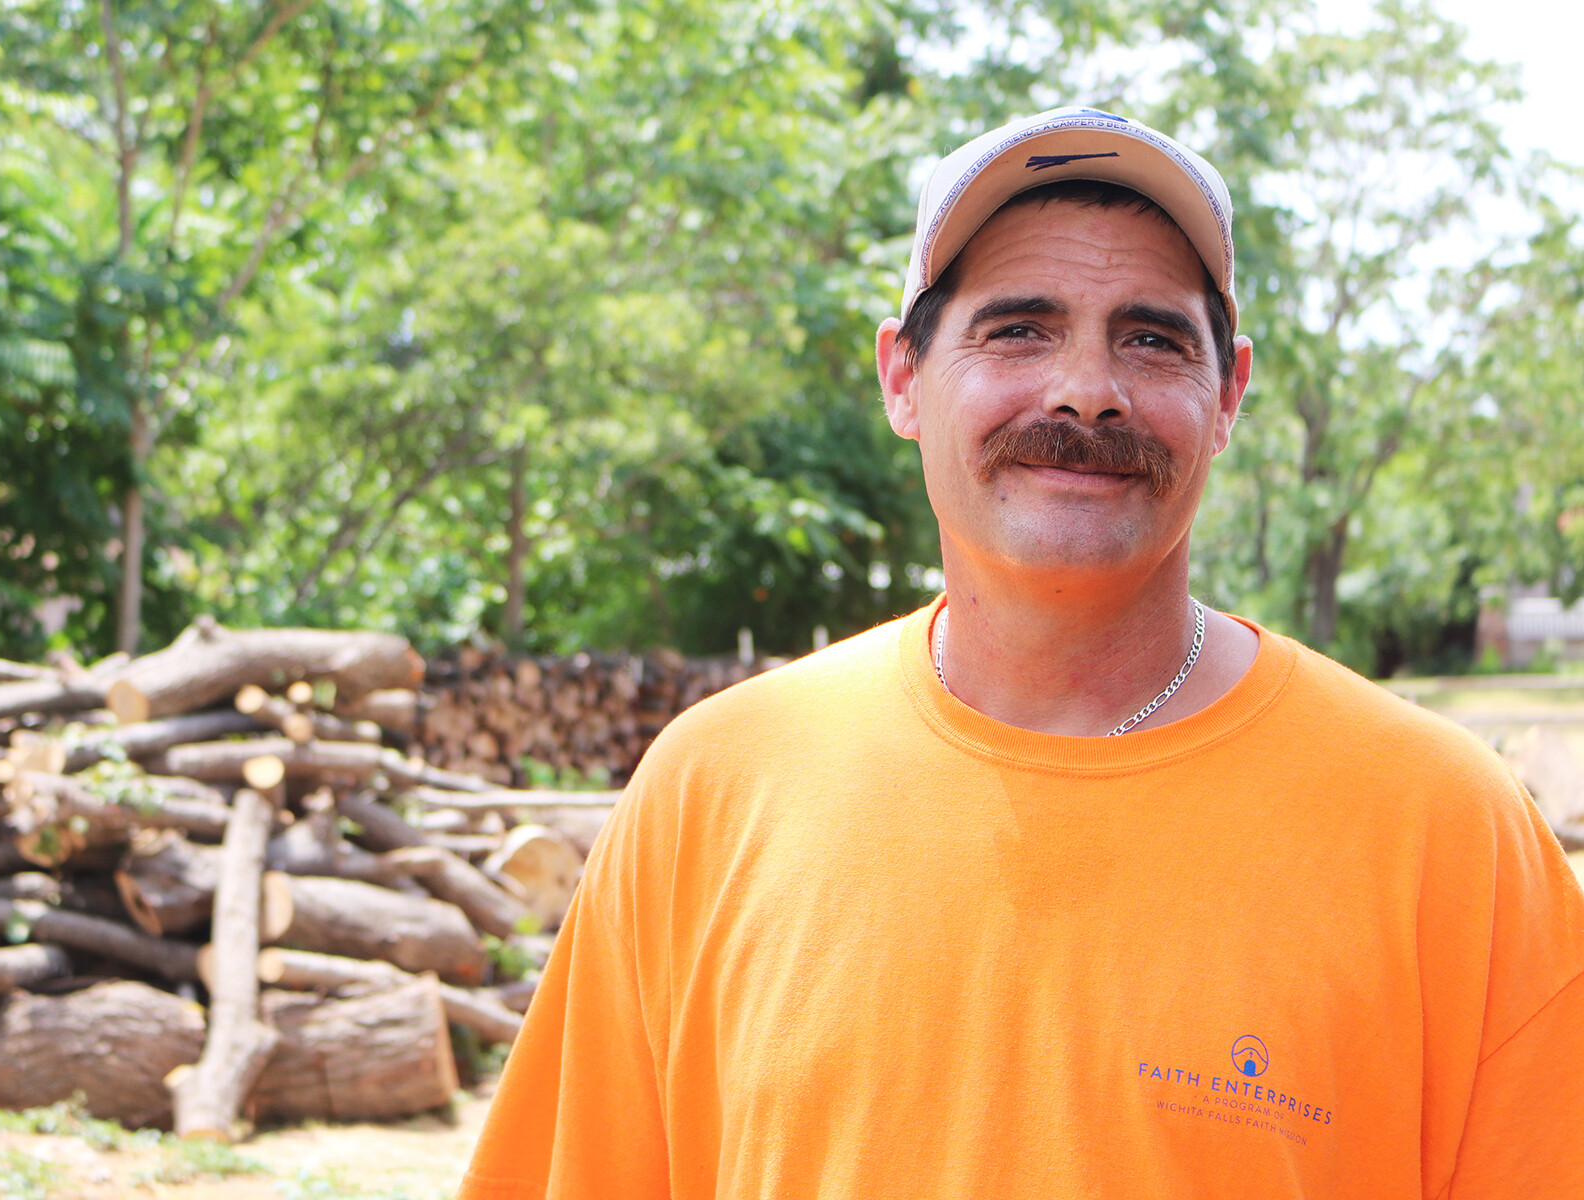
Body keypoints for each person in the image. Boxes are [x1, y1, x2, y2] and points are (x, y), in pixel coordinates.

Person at [457, 106, 1584, 1199]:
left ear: (1229, 392)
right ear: (903, 376)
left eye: (1151, 338)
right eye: (1018, 328)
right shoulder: (712, 795)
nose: (1086, 390)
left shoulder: (1449, 836)